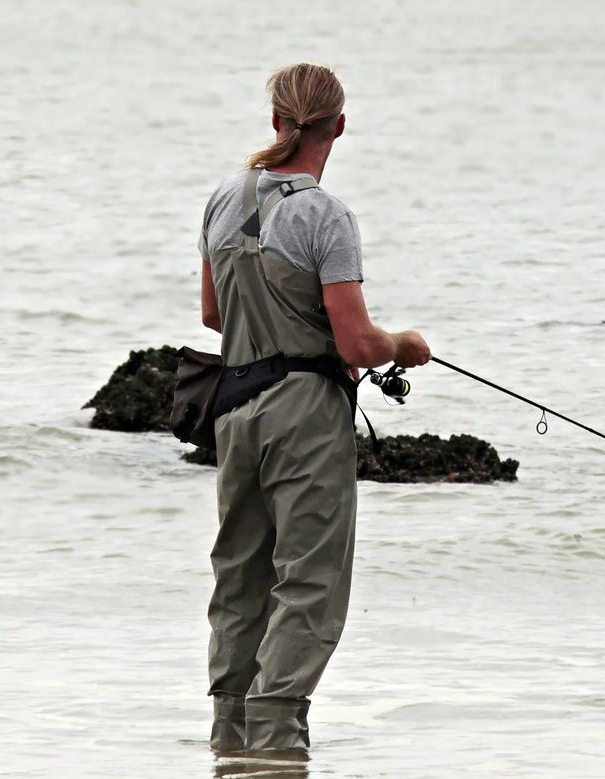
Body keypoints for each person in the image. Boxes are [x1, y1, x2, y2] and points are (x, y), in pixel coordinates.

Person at [197, 63, 431, 753]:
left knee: (239, 578)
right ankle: (274, 739)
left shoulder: (221, 199)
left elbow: (214, 315)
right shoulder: (325, 215)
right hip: (304, 414)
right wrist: (406, 345)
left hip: (233, 409)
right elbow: (358, 340)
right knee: (309, 582)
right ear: (340, 126)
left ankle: (230, 740)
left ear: (276, 121)